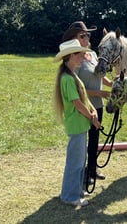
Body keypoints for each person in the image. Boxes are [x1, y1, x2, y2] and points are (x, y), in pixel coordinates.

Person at [62, 21, 112, 184]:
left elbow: (98, 75)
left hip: (97, 106)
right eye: (82, 35)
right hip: (84, 108)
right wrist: (100, 93)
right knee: (83, 142)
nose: (86, 38)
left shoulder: (92, 54)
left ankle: (92, 169)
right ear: (74, 38)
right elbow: (78, 87)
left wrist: (111, 84)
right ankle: (82, 173)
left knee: (94, 140)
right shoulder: (75, 58)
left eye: (87, 35)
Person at [54, 39, 101, 207]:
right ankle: (69, 195)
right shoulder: (67, 78)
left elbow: (84, 99)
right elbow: (77, 104)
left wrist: (93, 111)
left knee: (80, 160)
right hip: (77, 125)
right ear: (70, 56)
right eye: (80, 54)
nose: (83, 57)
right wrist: (91, 116)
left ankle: (76, 190)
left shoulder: (72, 75)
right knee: (75, 161)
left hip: (81, 125)